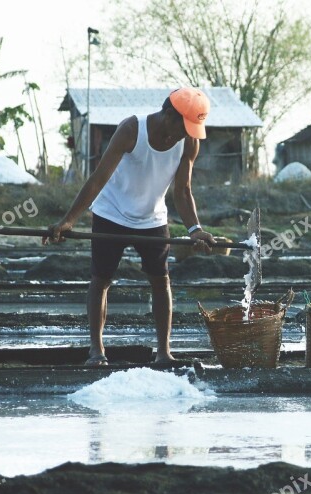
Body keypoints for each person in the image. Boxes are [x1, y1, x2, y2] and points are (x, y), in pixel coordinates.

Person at [43, 88, 215, 366]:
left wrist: (195, 229)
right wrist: (69, 220)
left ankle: (163, 353)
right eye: (185, 126)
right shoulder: (132, 129)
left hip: (152, 219)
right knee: (101, 280)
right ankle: (97, 352)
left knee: (161, 281)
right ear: (170, 115)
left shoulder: (189, 143)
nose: (187, 134)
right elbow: (99, 178)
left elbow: (183, 191)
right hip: (112, 213)